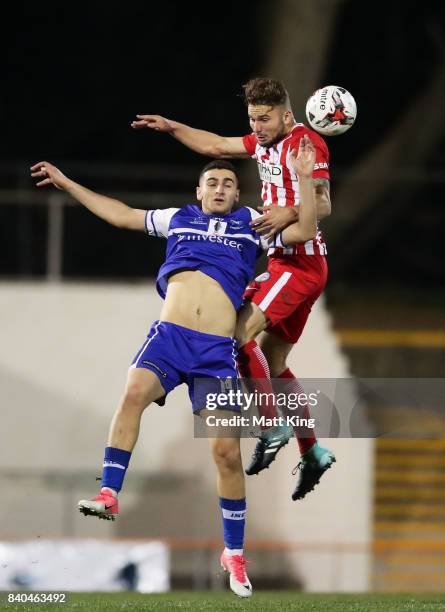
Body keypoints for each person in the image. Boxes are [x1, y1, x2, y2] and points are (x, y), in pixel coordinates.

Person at [30, 135, 317, 598]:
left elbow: (303, 231)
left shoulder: (251, 224)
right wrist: (66, 183)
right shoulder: (177, 219)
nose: (220, 188)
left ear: (236, 194)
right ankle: (109, 492)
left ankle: (234, 555)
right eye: (212, 182)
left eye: (227, 182)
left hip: (215, 351)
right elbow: (120, 214)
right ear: (199, 191)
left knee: (226, 453)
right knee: (132, 394)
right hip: (169, 339)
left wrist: (304, 181)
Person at [131, 77, 336, 500]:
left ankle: (270, 423)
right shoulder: (263, 141)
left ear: (286, 114)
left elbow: (325, 204)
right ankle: (312, 450)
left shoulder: (304, 144)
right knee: (274, 364)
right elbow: (215, 146)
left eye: (263, 119)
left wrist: (291, 209)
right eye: (252, 119)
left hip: (300, 262)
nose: (257, 127)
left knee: (238, 334)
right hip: (283, 261)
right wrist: (173, 127)